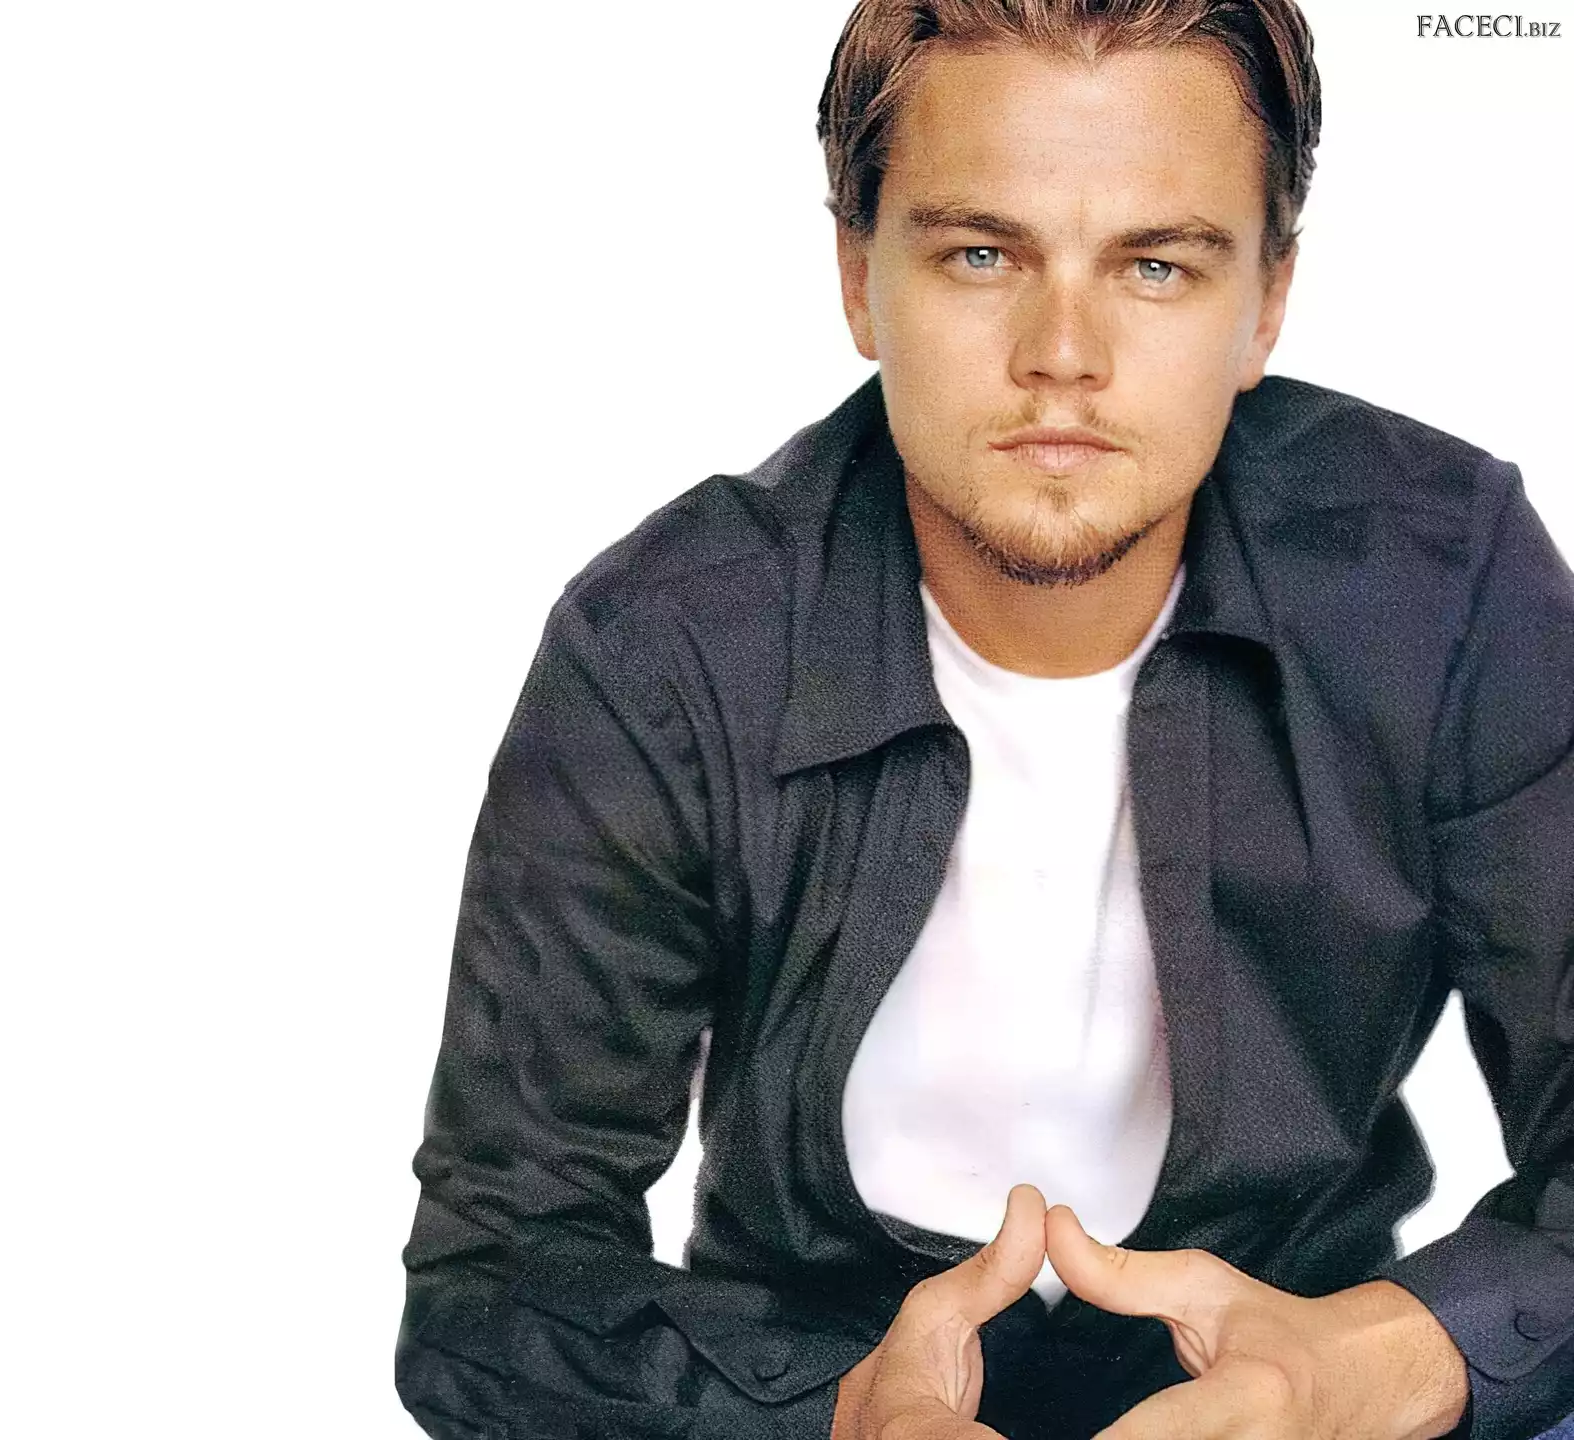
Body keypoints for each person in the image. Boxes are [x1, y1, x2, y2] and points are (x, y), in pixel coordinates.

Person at [396, 2, 1574, 1436]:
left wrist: (1362, 1371)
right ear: (858, 279)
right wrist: (832, 1415)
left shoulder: (1441, 581)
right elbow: (494, 1281)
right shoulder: (665, 645)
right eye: (980, 254)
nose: (1061, 353)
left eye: (1155, 264)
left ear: (1266, 303)